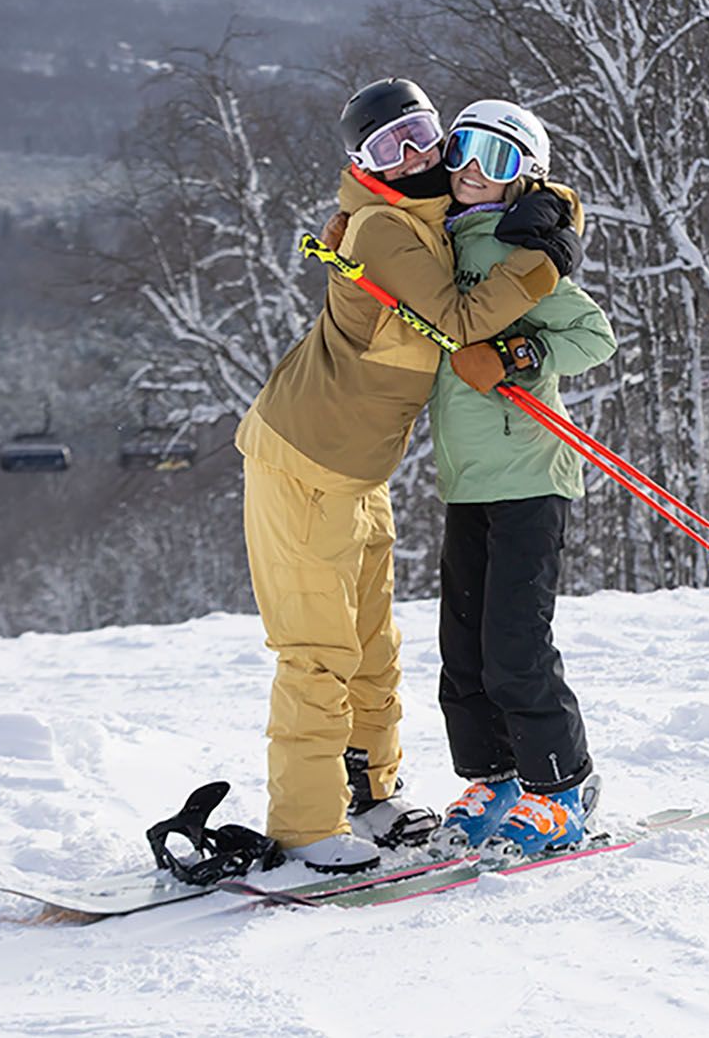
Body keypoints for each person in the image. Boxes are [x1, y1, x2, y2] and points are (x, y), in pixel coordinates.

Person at [234, 78, 580, 873]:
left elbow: (493, 206)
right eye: (394, 147)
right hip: (305, 458)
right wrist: (543, 264)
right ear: (365, 164)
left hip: (361, 471)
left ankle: (372, 793)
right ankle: (307, 821)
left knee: (373, 646)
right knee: (317, 651)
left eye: (427, 133)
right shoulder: (386, 229)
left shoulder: (420, 217)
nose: (421, 154)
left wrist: (554, 210)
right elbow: (460, 318)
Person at [424, 99, 615, 859]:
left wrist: (517, 356)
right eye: (464, 150)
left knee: (514, 644)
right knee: (462, 647)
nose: (472, 171)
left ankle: (561, 785)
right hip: (466, 479)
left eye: (496, 161)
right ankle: (494, 777)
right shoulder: (437, 245)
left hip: (531, 473)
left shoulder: (520, 256)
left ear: (522, 179)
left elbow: (592, 337)